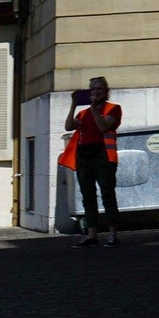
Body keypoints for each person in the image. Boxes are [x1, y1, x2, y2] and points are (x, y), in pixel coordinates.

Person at [61, 76, 122, 246]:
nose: (95, 92)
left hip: (103, 155)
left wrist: (95, 109)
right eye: (92, 89)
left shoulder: (114, 109)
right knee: (87, 195)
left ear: (106, 92)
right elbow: (68, 126)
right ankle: (92, 235)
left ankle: (113, 235)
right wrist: (73, 104)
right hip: (84, 156)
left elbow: (104, 126)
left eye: (99, 89)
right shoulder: (83, 112)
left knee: (107, 194)